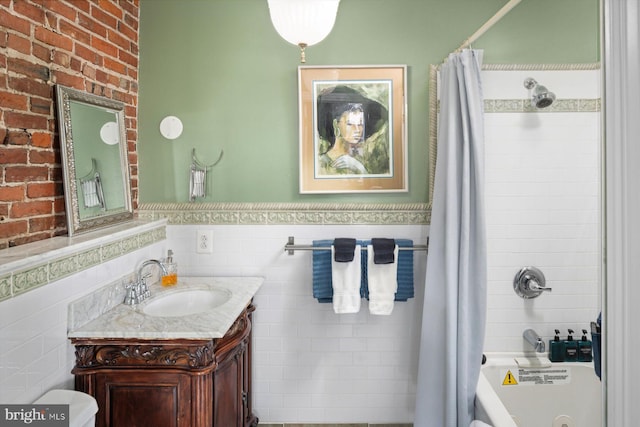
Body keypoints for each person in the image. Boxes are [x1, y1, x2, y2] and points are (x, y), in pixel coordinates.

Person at [316, 85, 389, 175]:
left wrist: (358, 167)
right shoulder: (321, 163)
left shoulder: (363, 158)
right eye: (350, 124)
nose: (358, 129)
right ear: (336, 124)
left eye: (360, 124)